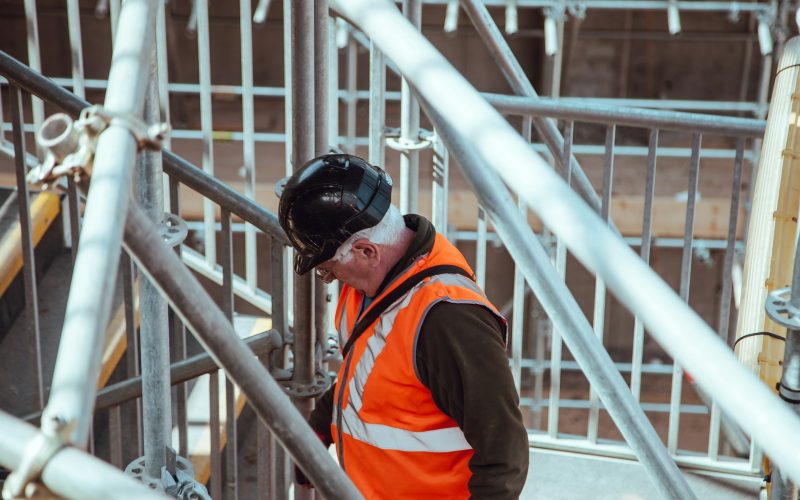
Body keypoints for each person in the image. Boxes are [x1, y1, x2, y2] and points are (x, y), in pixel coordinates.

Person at [278, 153, 529, 499]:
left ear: (366, 251)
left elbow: (505, 452)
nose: (330, 277)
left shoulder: (448, 318)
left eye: (328, 268)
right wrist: (322, 426)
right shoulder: (370, 289)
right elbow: (369, 374)